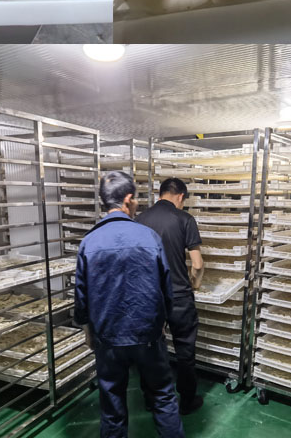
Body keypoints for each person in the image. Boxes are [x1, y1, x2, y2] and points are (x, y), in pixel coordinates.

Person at [73, 170, 185, 438]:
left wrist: (88, 330)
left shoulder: (89, 242)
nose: (136, 205)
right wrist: (163, 322)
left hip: (108, 338)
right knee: (162, 397)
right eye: (135, 200)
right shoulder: (148, 237)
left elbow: (81, 296)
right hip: (148, 336)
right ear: (128, 199)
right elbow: (166, 288)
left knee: (112, 405)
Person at [136, 177, 204, 415]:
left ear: (160, 194)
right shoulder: (185, 219)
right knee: (185, 351)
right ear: (181, 196)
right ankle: (187, 401)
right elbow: (197, 264)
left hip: (149, 296)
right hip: (179, 296)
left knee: (150, 349)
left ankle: (151, 399)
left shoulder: (140, 220)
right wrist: (194, 284)